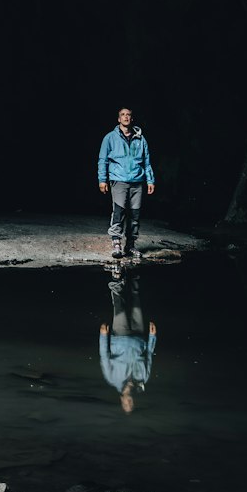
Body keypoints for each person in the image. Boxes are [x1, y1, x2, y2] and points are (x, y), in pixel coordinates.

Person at [97, 106, 155, 259]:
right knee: (119, 211)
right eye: (123, 115)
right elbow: (102, 160)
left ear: (132, 118)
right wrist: (102, 180)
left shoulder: (140, 138)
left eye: (128, 115)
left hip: (137, 181)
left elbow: (147, 161)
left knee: (135, 214)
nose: (126, 117)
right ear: (118, 119)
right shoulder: (110, 137)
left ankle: (130, 245)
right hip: (119, 180)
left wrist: (150, 180)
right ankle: (116, 242)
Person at [99, 269, 157, 412]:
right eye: (131, 405)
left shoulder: (113, 379)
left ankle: (117, 278)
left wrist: (103, 336)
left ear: (122, 400)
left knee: (119, 306)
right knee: (137, 302)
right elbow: (149, 355)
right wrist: (152, 337)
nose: (129, 403)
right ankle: (135, 274)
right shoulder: (143, 379)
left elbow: (104, 357)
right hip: (139, 338)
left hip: (120, 336)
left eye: (126, 404)